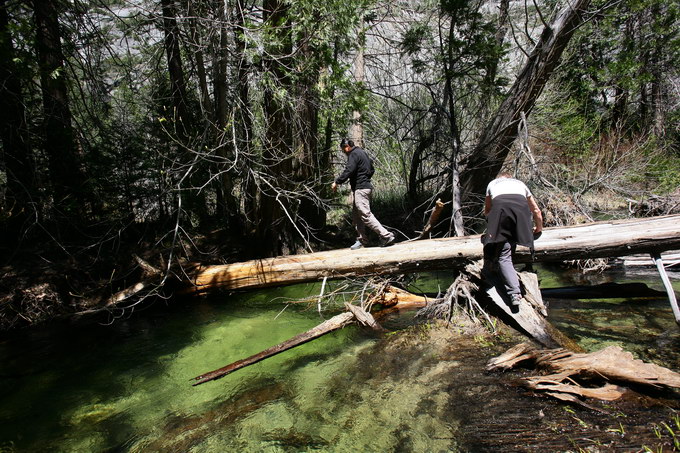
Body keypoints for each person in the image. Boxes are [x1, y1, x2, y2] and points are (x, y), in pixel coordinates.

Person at [482, 172, 543, 305]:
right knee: (510, 244)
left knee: (504, 256)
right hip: (521, 215)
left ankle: (515, 293)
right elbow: (536, 211)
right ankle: (515, 290)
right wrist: (539, 228)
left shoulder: (492, 184)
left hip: (501, 212)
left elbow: (488, 210)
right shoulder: (520, 184)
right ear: (510, 178)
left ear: (499, 178)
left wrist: (492, 228)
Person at [331, 138, 396, 250]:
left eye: (343, 150)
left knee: (365, 215)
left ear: (346, 147)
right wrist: (364, 178)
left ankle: (386, 236)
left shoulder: (354, 154)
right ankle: (362, 240)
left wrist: (337, 182)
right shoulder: (362, 153)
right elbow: (371, 169)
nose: (343, 152)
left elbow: (349, 170)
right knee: (357, 216)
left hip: (361, 189)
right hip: (364, 188)